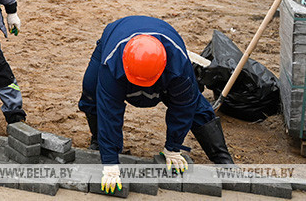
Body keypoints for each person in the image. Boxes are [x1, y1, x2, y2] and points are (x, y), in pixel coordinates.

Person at [78, 15, 235, 194]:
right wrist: (110, 163)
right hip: (116, 34)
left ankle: (223, 160)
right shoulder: (112, 65)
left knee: (196, 105)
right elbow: (109, 112)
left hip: (166, 61)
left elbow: (183, 107)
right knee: (91, 90)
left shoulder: (178, 66)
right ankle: (99, 142)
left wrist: (173, 147)